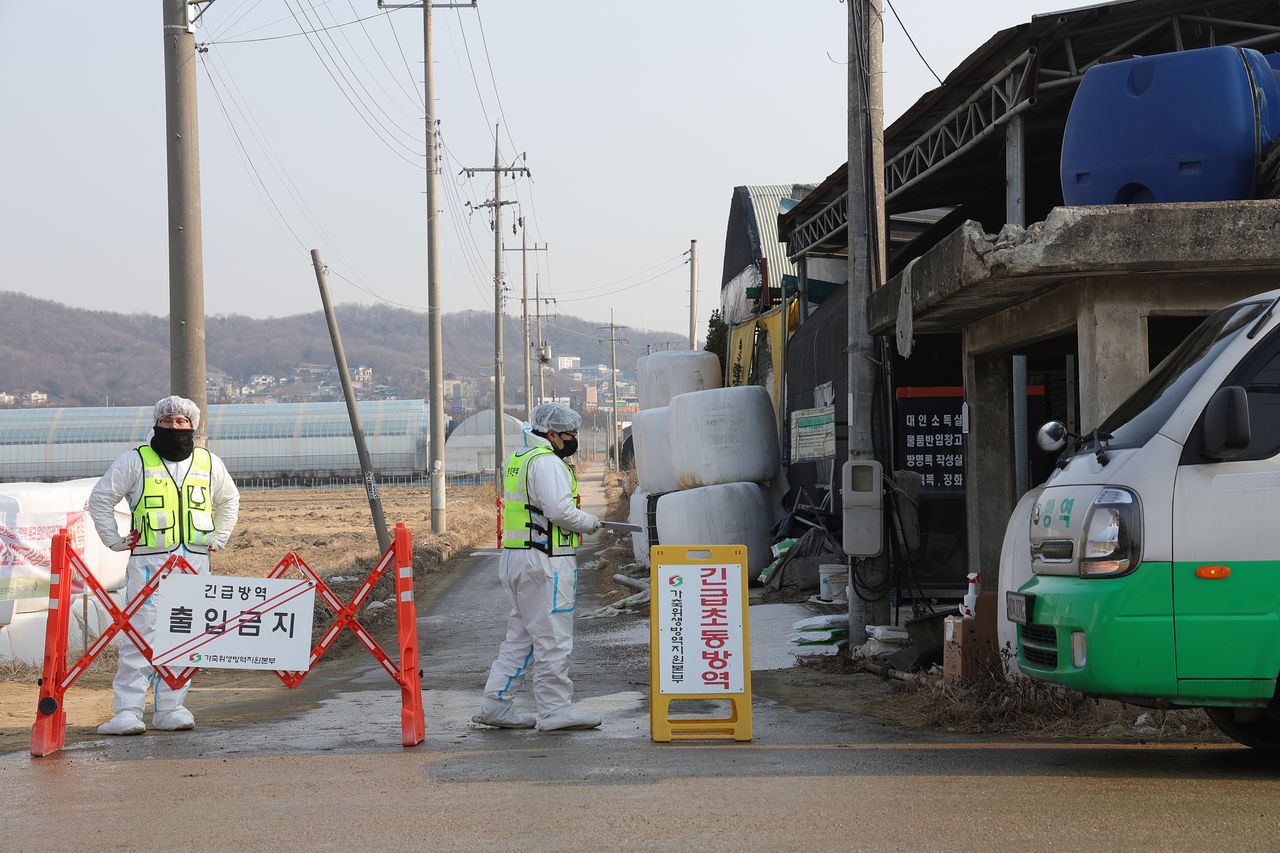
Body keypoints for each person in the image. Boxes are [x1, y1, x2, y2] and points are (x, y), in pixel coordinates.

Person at [89, 396, 240, 736]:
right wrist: (113, 540)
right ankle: (127, 711)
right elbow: (101, 498)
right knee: (140, 636)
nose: (174, 427)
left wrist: (220, 537)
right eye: (168, 421)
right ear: (156, 424)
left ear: (192, 426)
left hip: (195, 561)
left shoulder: (210, 463)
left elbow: (229, 500)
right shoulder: (135, 461)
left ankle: (170, 707)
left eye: (181, 422)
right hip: (148, 562)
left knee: (186, 636)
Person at [474, 402, 602, 732]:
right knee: (553, 639)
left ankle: (496, 704)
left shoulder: (520, 459)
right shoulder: (547, 463)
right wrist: (589, 523)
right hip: (545, 561)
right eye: (571, 435)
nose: (574, 441)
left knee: (521, 638)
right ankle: (555, 709)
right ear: (553, 433)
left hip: (517, 557)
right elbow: (559, 511)